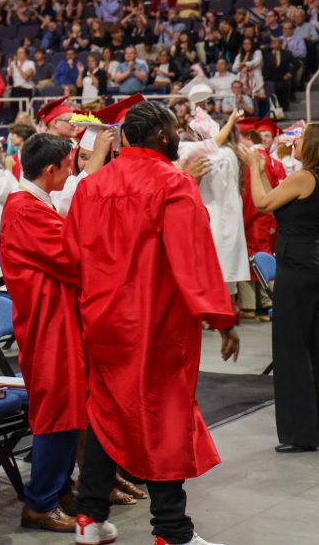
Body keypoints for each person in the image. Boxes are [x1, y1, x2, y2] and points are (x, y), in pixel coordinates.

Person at [65, 101, 239, 545]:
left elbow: (72, 254)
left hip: (102, 319)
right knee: (162, 416)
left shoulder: (91, 186)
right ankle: (172, 530)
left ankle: (90, 519)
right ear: (163, 135)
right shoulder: (172, 183)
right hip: (154, 320)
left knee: (107, 415)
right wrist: (220, 317)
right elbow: (192, 258)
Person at [0, 134, 84, 532]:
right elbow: (71, 259)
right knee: (55, 410)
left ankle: (61, 488)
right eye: (70, 165)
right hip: (46, 323)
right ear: (52, 170)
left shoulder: (36, 203)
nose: (73, 172)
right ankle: (40, 502)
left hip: (58, 318)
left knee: (69, 407)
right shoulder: (25, 208)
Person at [247, 122, 319, 452]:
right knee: (312, 345)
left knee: (291, 350)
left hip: (299, 266)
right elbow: (274, 201)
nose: (295, 141)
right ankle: (317, 427)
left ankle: (300, 433)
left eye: (301, 137)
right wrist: (261, 170)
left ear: (314, 145)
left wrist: (250, 169)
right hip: (310, 262)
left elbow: (261, 203)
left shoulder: (304, 177)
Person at [175, 99, 251, 309]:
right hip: (229, 222)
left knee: (208, 273)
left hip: (209, 218)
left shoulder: (204, 152)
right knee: (225, 281)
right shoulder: (232, 155)